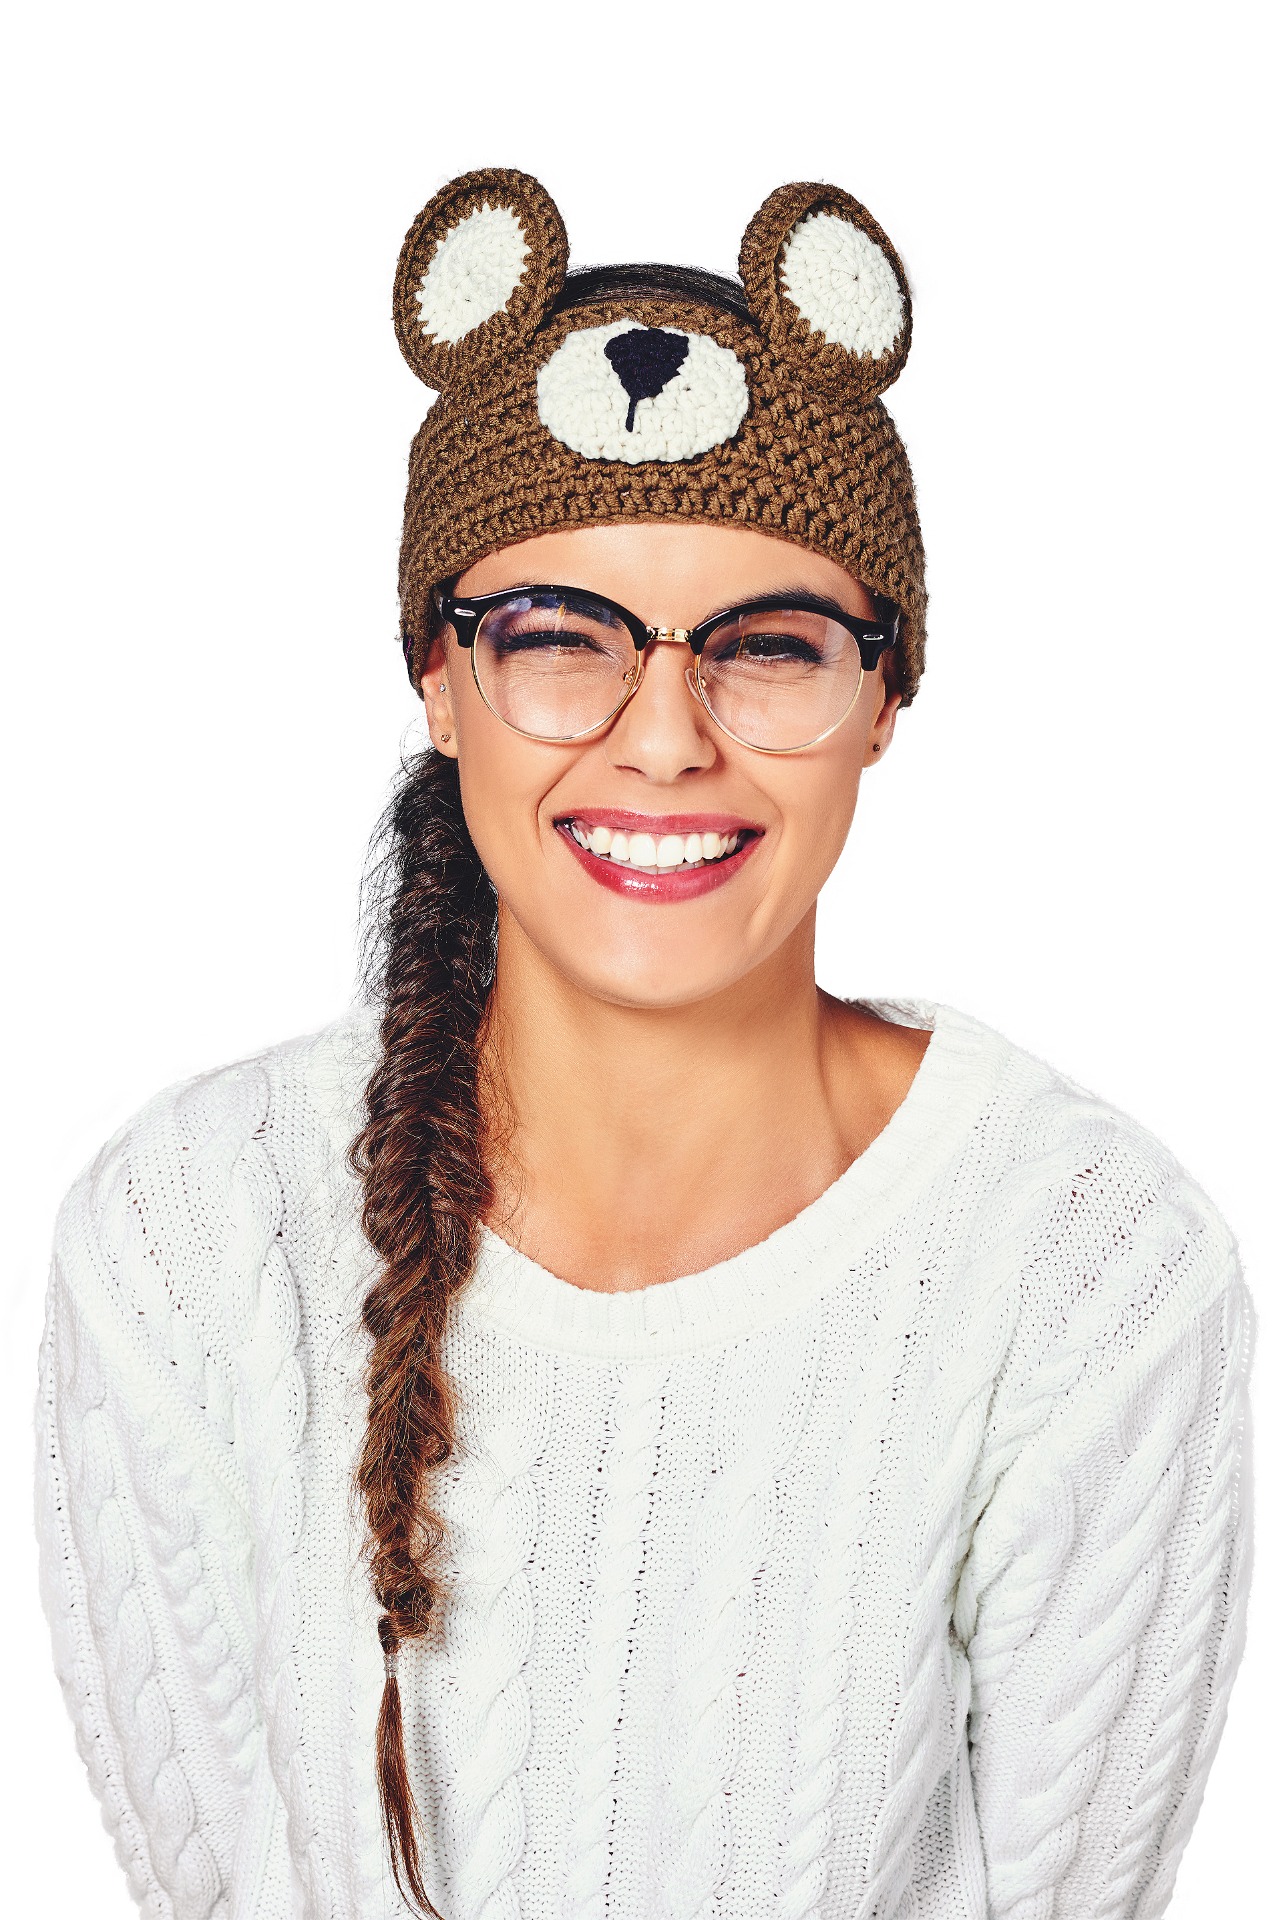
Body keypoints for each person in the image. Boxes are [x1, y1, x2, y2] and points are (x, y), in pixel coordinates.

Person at [35, 167, 1255, 1920]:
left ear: (884, 698)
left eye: (771, 647)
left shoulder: (1091, 1276)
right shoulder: (181, 1241)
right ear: (437, 678)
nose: (666, 737)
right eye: (558, 638)